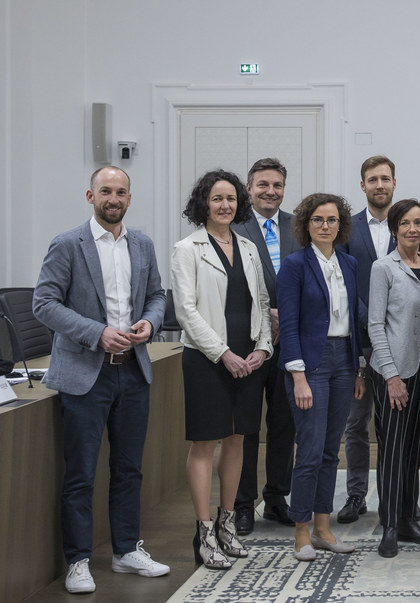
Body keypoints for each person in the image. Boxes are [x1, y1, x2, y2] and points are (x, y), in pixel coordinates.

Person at [33, 166, 170, 594]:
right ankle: (77, 561)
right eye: (106, 191)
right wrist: (96, 333)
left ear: (130, 198)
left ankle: (127, 550)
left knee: (129, 470)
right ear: (90, 196)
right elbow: (44, 303)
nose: (114, 198)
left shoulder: (142, 243)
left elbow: (157, 295)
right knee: (81, 474)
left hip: (132, 372)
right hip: (84, 377)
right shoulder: (67, 244)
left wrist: (149, 322)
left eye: (121, 191)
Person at [171, 170, 273, 570]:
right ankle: (203, 529)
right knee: (205, 443)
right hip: (206, 358)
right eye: (217, 199)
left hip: (248, 358)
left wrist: (263, 347)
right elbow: (186, 311)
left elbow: (262, 302)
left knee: (237, 440)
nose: (225, 205)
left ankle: (227, 523)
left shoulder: (248, 246)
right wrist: (222, 353)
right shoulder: (187, 248)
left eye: (231, 198)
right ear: (204, 203)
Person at [337, 156, 420, 526]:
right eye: (372, 179)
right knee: (356, 423)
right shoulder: (347, 228)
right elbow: (343, 281)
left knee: (403, 428)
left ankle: (406, 498)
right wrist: (369, 320)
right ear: (363, 186)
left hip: (406, 344)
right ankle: (357, 494)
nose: (379, 185)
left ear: (394, 183)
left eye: (385, 179)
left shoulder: (412, 224)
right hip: (359, 341)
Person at [277, 193, 361, 561]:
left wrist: (358, 366)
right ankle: (301, 531)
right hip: (310, 364)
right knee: (309, 451)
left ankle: (324, 527)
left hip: (344, 360)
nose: (325, 226)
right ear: (305, 225)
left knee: (331, 450)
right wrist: (297, 375)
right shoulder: (294, 265)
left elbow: (354, 319)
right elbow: (290, 325)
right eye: (318, 220)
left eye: (331, 220)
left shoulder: (350, 263)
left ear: (340, 225)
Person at [367, 199, 420, 557]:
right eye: (406, 223)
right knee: (393, 449)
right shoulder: (383, 267)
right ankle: (391, 525)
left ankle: (410, 519)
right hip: (395, 371)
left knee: (414, 447)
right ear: (395, 228)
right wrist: (391, 376)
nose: (414, 229)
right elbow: (374, 325)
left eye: (419, 223)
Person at [232, 158, 298, 534]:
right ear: (249, 187)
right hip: (247, 344)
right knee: (246, 426)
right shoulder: (232, 225)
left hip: (289, 343)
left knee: (284, 424)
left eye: (276, 185)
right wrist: (263, 315)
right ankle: (243, 503)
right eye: (262, 185)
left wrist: (285, 317)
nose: (270, 191)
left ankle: (276, 497)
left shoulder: (296, 225)